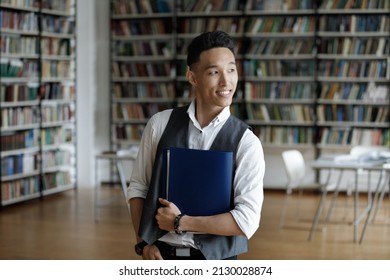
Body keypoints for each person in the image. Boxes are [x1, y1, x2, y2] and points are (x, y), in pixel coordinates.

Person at [127, 30, 265, 260]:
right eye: (214, 72)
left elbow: (247, 220)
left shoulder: (247, 142)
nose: (226, 81)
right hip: (161, 256)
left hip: (218, 261)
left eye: (231, 70)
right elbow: (139, 188)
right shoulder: (159, 124)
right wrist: (143, 244)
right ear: (192, 77)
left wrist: (180, 222)